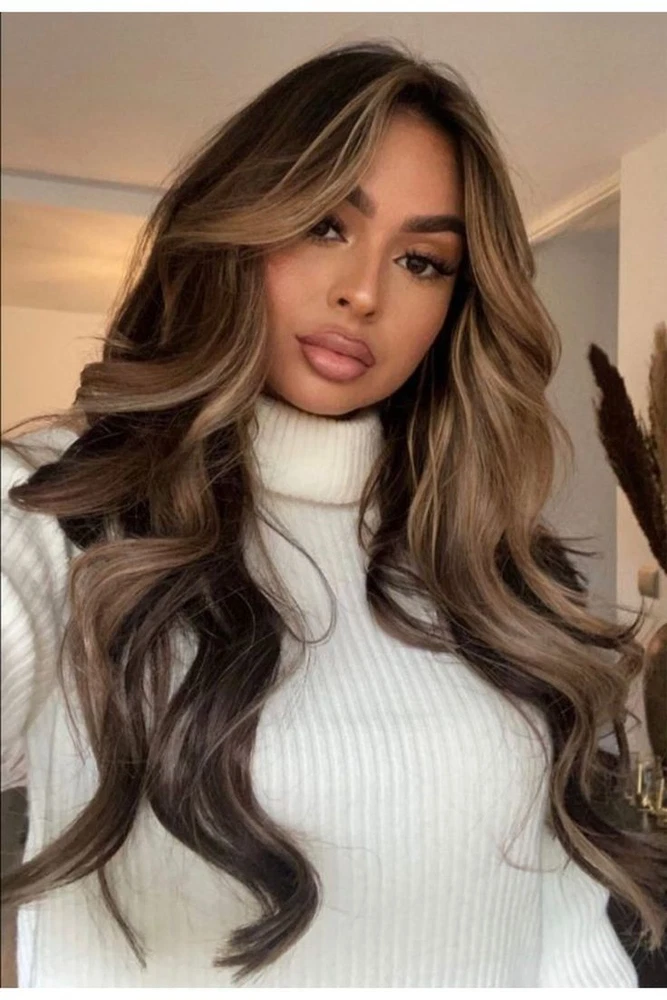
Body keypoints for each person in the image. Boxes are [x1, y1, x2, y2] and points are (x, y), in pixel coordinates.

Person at [1, 40, 664, 988]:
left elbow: (562, 938)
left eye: (422, 260)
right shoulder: (63, 515)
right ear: (234, 230)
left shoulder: (494, 571)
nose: (363, 291)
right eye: (322, 225)